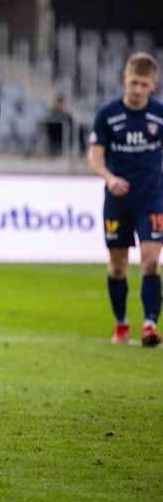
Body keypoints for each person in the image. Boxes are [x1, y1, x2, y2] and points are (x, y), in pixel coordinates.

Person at [87, 52, 163, 348]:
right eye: (133, 83)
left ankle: (149, 326)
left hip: (151, 198)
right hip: (117, 200)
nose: (137, 90)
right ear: (124, 80)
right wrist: (109, 178)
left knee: (150, 260)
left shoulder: (159, 114)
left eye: (143, 85)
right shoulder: (107, 114)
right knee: (118, 265)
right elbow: (94, 158)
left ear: (153, 85)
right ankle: (121, 325)